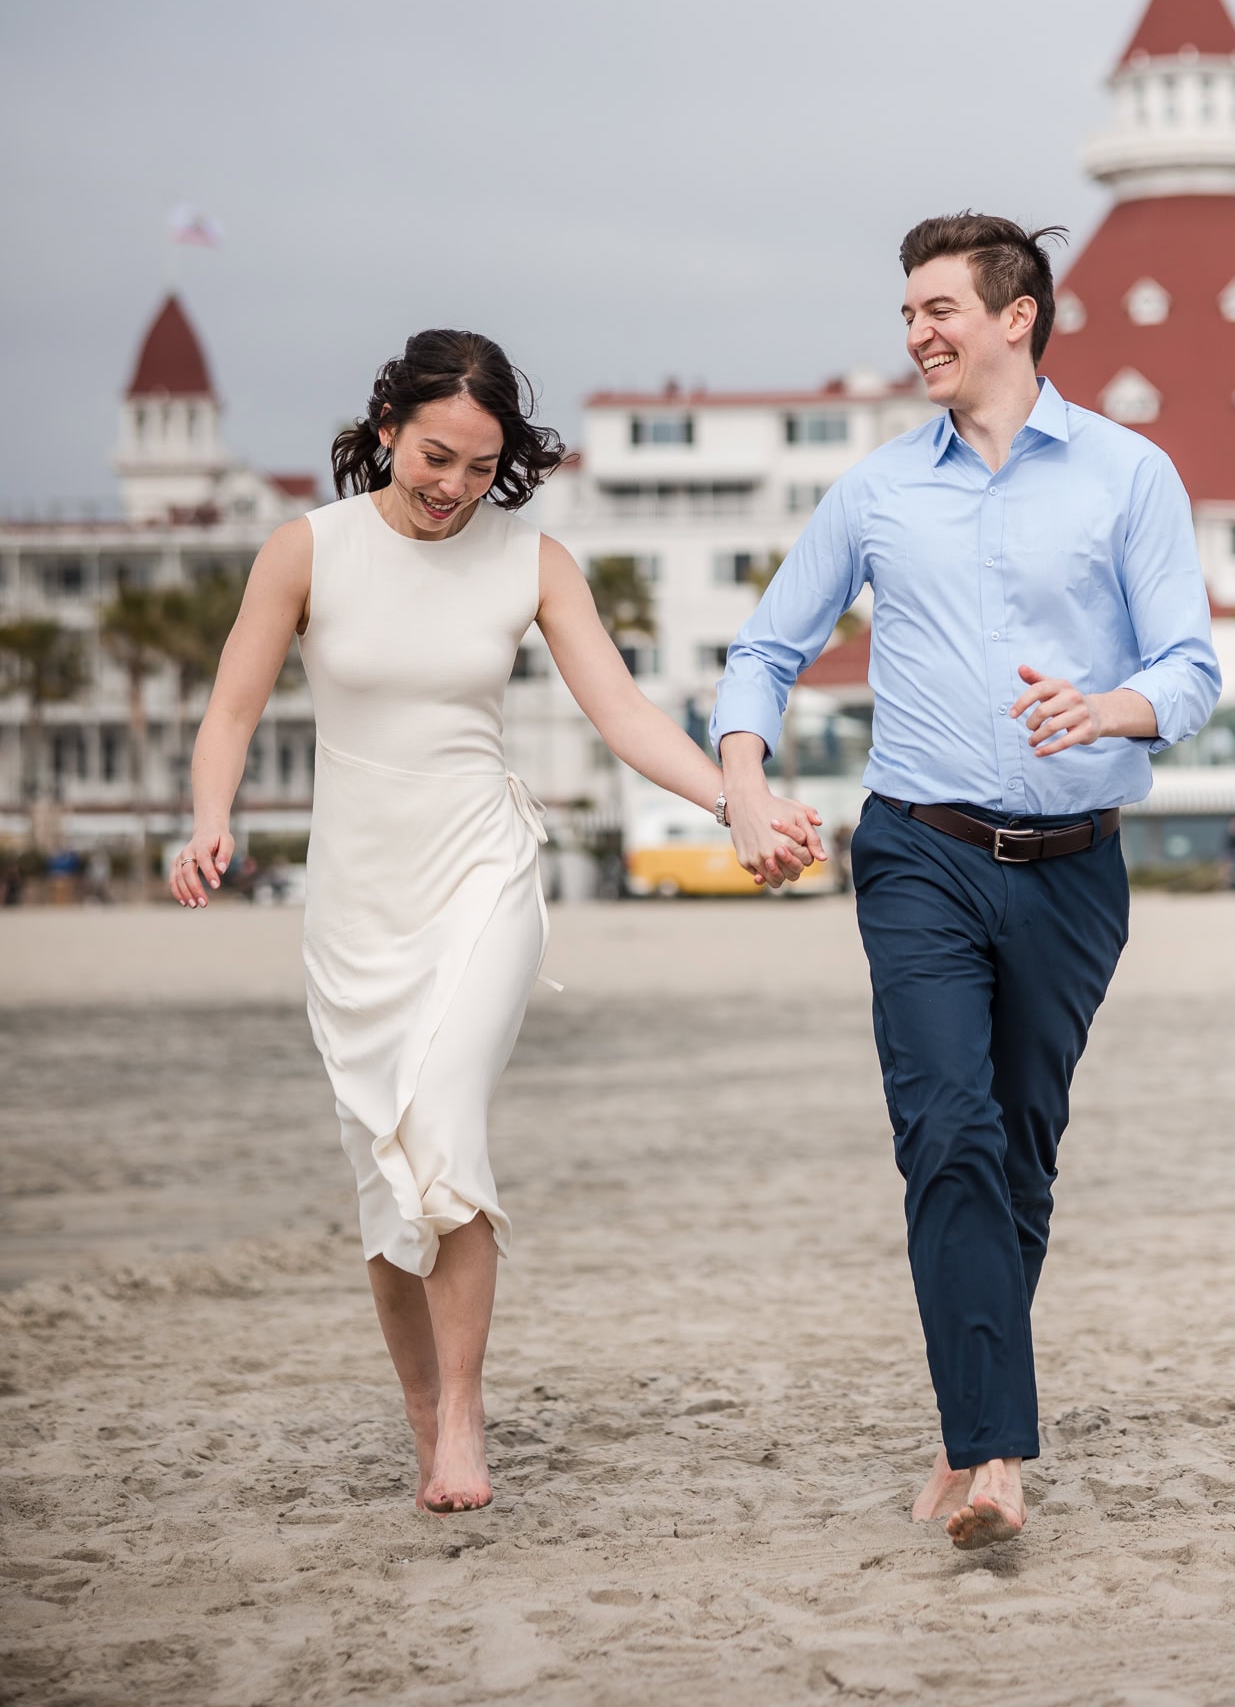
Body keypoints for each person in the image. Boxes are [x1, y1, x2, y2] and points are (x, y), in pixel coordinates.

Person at [171, 329, 822, 1515]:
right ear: (386, 431)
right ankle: (424, 1422)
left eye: (479, 466)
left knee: (446, 1130)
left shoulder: (533, 560)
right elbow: (230, 712)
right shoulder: (306, 550)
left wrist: (745, 799)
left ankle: (465, 1416)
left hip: (482, 873)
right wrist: (210, 817)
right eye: (433, 456)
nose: (451, 486)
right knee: (387, 1175)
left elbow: (622, 712)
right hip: (358, 899)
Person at [711, 215, 1220, 1549]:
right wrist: (746, 781)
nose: (916, 333)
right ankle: (994, 1455)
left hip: (1072, 875)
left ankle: (961, 1422)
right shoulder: (877, 491)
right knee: (945, 1132)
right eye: (905, 315)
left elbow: (1189, 668)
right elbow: (763, 648)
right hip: (917, 853)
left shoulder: (1127, 475)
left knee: (1019, 1154)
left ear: (1018, 316)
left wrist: (1107, 710)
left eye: (938, 309)